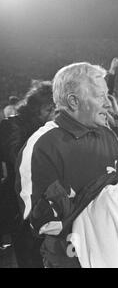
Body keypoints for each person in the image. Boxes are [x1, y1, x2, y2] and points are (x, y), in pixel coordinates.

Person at [15, 62, 118, 267]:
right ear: (74, 101)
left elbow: (114, 195)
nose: (108, 103)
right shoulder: (42, 146)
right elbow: (44, 224)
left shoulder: (107, 135)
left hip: (113, 251)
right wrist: (103, 185)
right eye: (100, 96)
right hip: (70, 257)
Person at [0, 81, 55, 267]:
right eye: (52, 109)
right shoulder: (12, 125)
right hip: (20, 206)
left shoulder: (52, 128)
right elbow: (20, 161)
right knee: (30, 257)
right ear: (40, 108)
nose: (57, 115)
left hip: (50, 203)